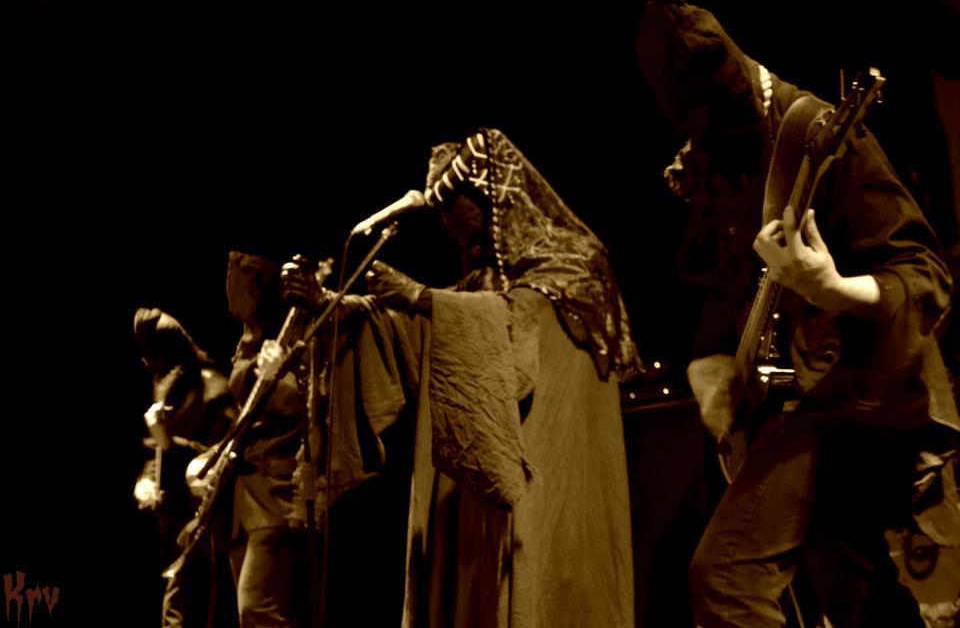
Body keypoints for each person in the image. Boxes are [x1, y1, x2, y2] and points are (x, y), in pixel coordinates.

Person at [636, 0, 960, 627]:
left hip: (857, 397)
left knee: (725, 578)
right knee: (854, 588)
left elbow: (926, 276)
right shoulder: (720, 159)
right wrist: (711, 373)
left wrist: (832, 289)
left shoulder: (815, 133)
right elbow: (716, 293)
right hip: (790, 401)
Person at [281, 127, 642, 628]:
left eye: (472, 233)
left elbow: (517, 336)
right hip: (481, 491)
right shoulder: (484, 282)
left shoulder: (575, 268)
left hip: (549, 469)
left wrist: (422, 298)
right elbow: (425, 329)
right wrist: (330, 306)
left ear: (499, 204)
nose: (463, 245)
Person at [224, 249, 313, 628]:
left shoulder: (300, 329)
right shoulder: (251, 339)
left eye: (244, 272)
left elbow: (311, 403)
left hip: (278, 493)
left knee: (258, 610)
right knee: (252, 614)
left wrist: (280, 376)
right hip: (244, 495)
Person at [132, 307, 236, 628]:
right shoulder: (169, 387)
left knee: (187, 609)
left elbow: (219, 457)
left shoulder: (214, 390)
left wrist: (167, 443)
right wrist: (147, 479)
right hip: (173, 521)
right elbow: (158, 451)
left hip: (206, 524)